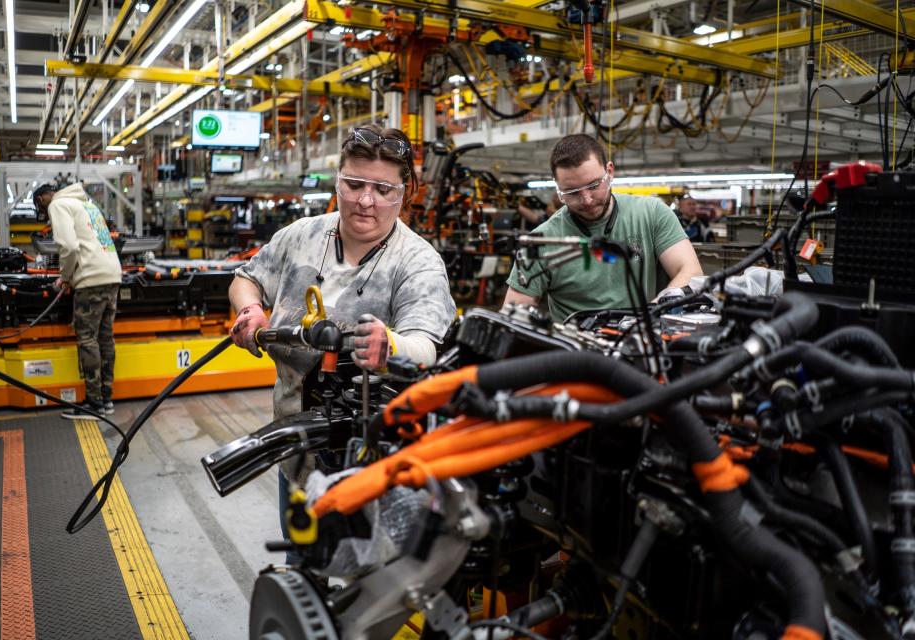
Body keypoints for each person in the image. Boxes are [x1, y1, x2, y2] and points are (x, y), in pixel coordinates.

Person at [228, 124, 456, 560]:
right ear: (338, 180)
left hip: (374, 464)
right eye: (353, 184)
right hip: (296, 449)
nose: (365, 201)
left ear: (404, 193)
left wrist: (390, 345)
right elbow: (246, 277)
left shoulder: (418, 262)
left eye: (383, 189)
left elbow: (426, 346)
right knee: (304, 568)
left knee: (372, 587)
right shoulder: (301, 236)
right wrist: (250, 310)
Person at [503, 134, 703, 322]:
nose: (587, 200)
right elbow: (513, 317)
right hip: (577, 352)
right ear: (558, 188)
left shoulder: (651, 213)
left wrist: (648, 315)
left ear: (609, 171)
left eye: (593, 185)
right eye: (572, 192)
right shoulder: (541, 241)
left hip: (642, 341)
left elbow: (691, 272)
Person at [35, 182, 123, 418]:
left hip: (91, 279)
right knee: (105, 339)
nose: (44, 214)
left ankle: (93, 404)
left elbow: (69, 247)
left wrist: (65, 278)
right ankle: (106, 399)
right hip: (112, 274)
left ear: (44, 198)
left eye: (40, 208)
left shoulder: (58, 204)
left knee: (87, 340)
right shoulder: (87, 204)